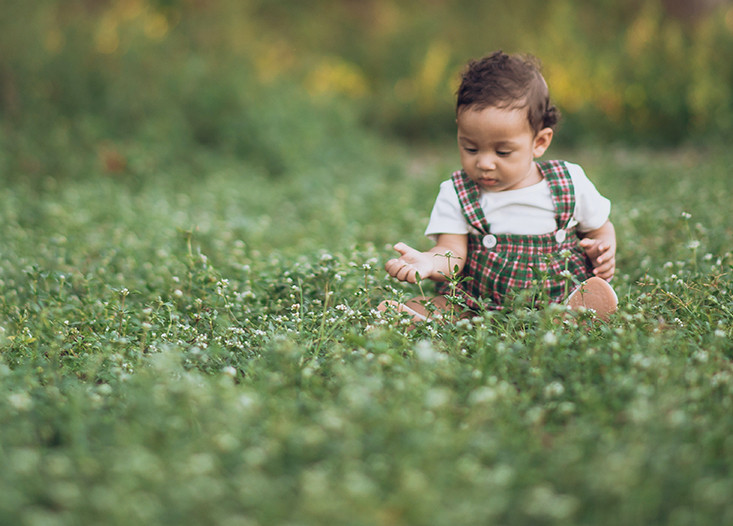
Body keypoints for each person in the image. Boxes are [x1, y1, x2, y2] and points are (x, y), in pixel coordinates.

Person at [381, 51, 618, 322]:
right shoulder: (457, 192)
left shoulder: (569, 182)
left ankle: (573, 315)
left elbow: (600, 228)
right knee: (445, 306)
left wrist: (603, 249)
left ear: (539, 142)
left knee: (581, 300)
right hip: (478, 302)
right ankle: (412, 319)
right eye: (470, 147)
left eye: (502, 152)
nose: (484, 163)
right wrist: (430, 262)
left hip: (557, 297)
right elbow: (453, 253)